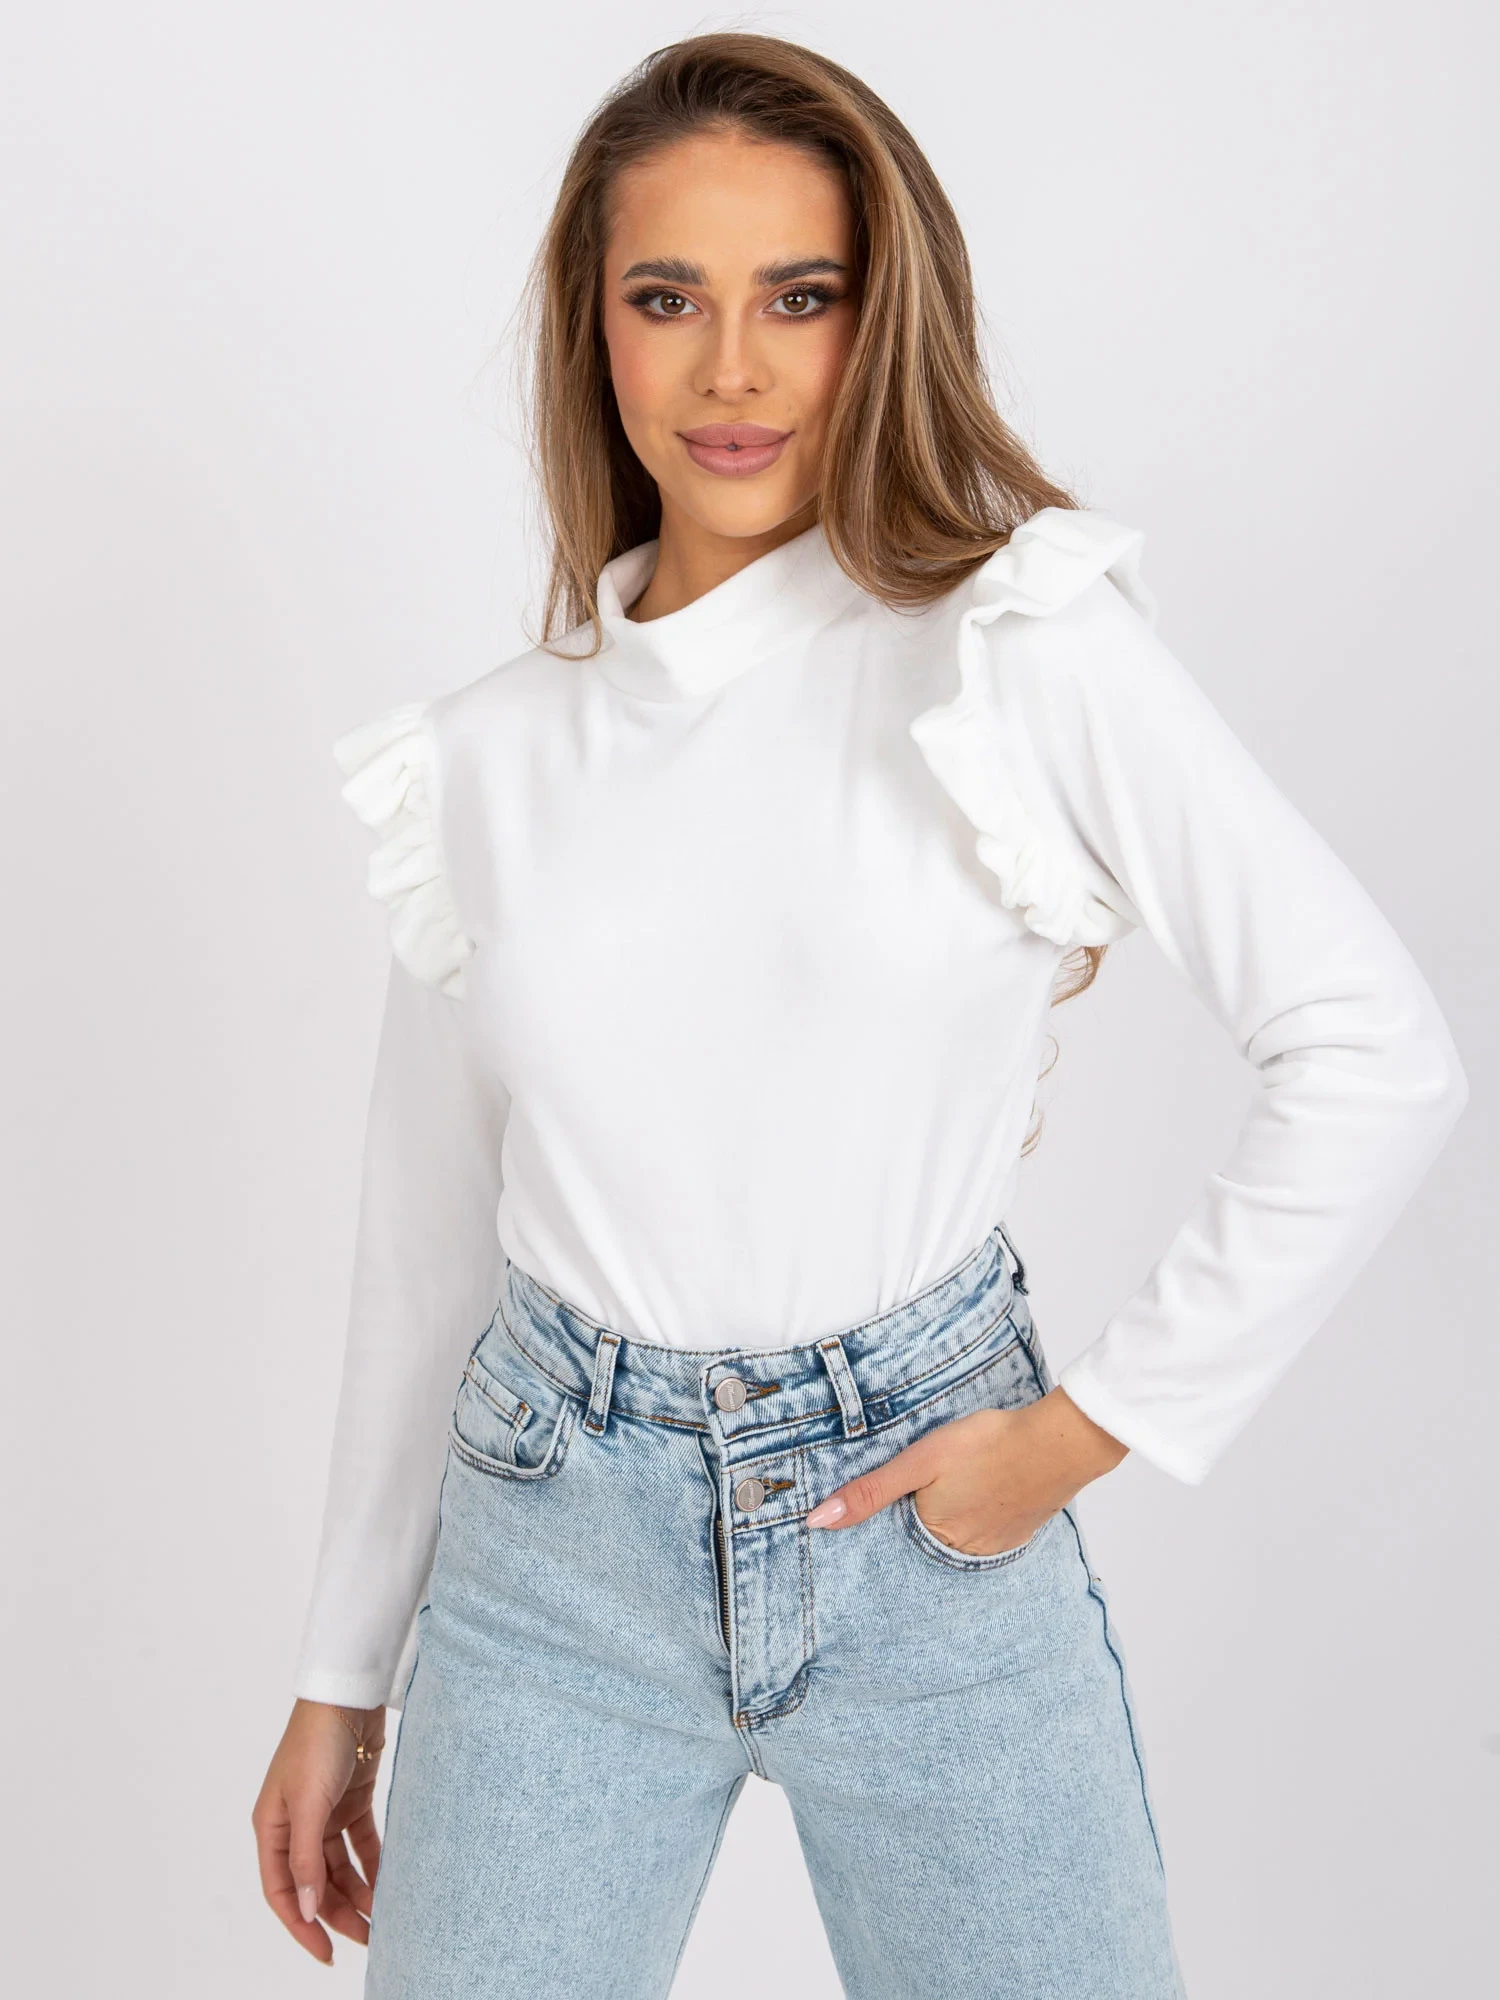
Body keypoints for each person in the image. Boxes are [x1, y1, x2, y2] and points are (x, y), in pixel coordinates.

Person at [251, 31, 1469, 1998]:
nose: (733, 370)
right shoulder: (485, 762)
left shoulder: (1015, 647)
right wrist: (339, 1674)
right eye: (669, 299)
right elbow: (425, 1256)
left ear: (879, 320)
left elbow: (1371, 1049)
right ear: (594, 329)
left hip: (930, 1531)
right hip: (553, 1561)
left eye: (798, 298)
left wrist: (1085, 1434)